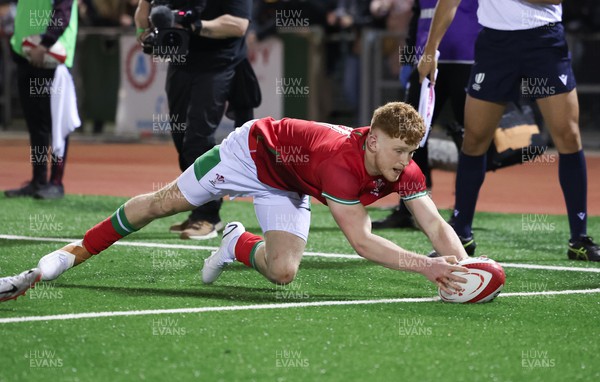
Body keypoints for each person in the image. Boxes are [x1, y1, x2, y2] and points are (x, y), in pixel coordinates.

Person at [0, 102, 470, 303]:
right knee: (162, 204)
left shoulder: (403, 168)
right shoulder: (340, 165)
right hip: (249, 153)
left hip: (289, 182)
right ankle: (73, 252)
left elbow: (433, 223)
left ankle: (235, 244)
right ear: (371, 142)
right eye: (397, 150)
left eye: (411, 151)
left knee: (284, 272)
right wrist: (425, 269)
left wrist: (464, 266)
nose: (405, 161)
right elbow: (363, 242)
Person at [418, 0, 600, 261]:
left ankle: (579, 240)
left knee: (568, 136)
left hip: (544, 41)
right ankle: (460, 235)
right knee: (475, 139)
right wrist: (429, 50)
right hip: (495, 45)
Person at [134, 0, 252, 240]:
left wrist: (195, 25)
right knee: (181, 138)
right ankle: (198, 208)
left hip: (218, 63)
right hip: (181, 61)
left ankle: (209, 216)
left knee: (198, 138)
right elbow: (144, 9)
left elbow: (238, 25)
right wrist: (144, 33)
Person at [373, 0, 480, 236]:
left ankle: (461, 215)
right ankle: (409, 207)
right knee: (408, 137)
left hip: (468, 59)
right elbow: (418, 17)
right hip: (426, 61)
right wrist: (409, 57)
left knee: (472, 139)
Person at [4, 0, 79, 199]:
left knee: (56, 126)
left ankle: (56, 182)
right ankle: (38, 180)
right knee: (35, 125)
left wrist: (45, 43)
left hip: (52, 59)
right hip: (26, 56)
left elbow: (62, 15)